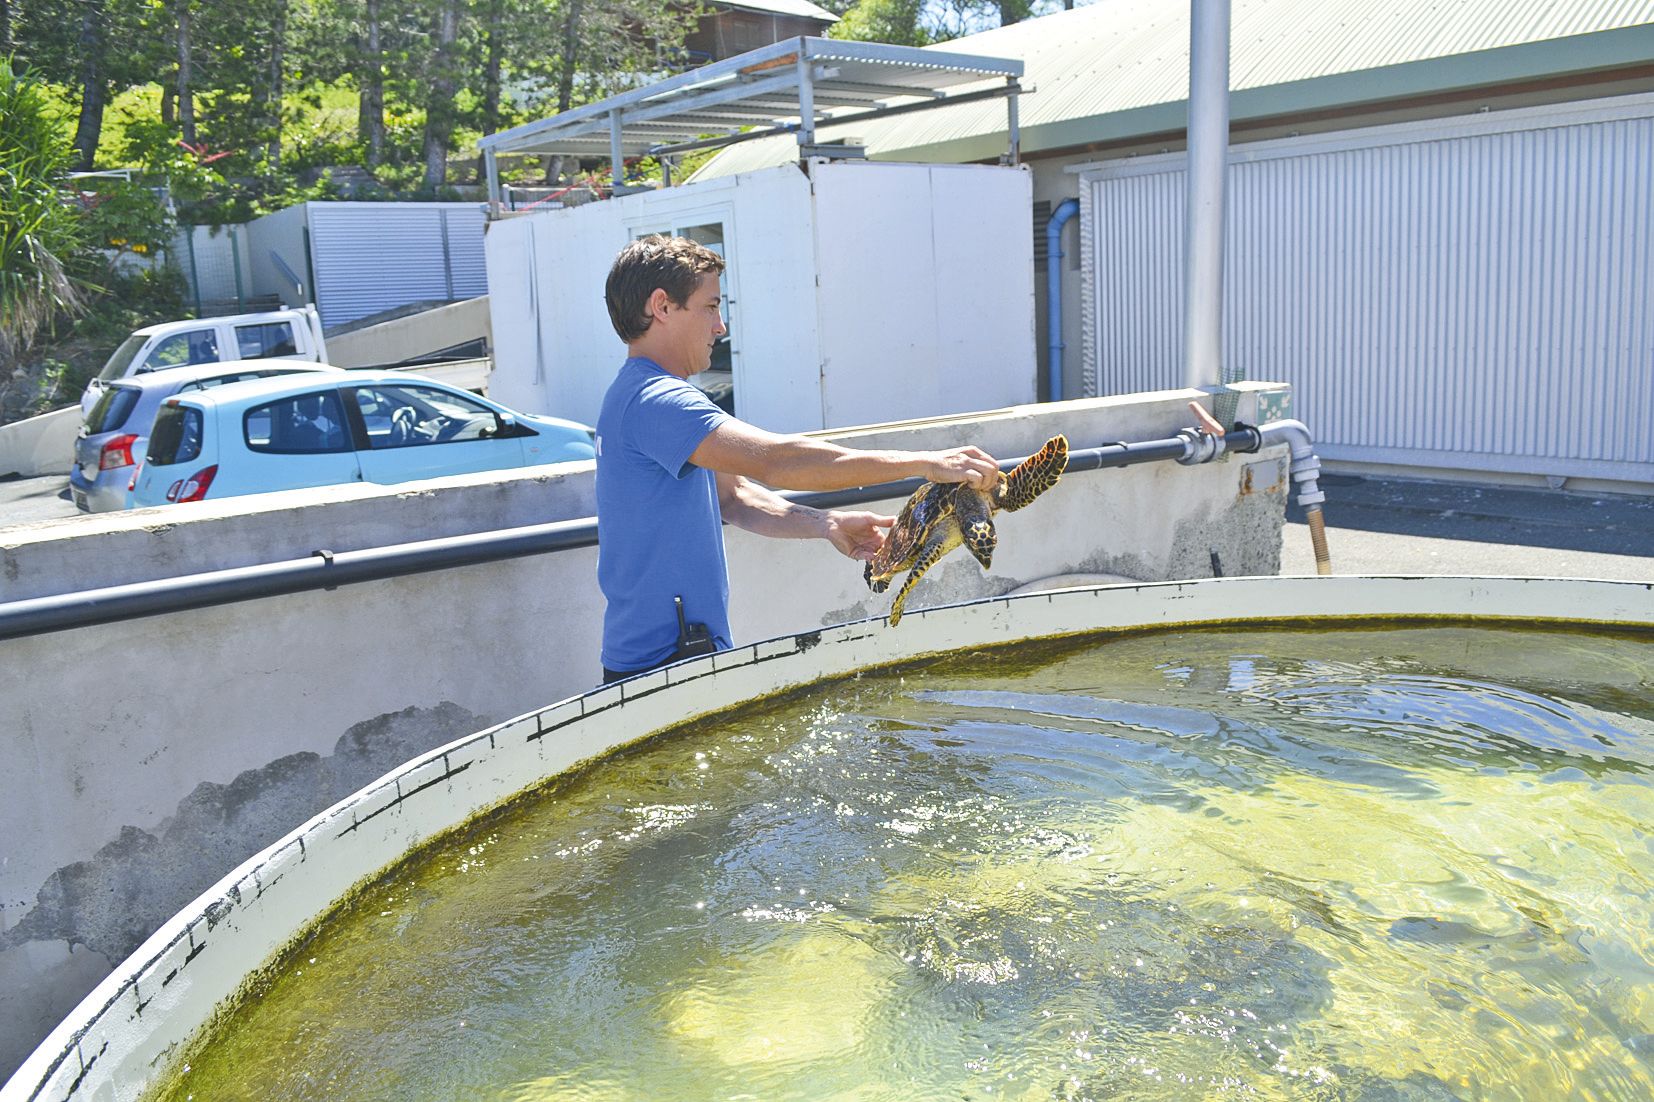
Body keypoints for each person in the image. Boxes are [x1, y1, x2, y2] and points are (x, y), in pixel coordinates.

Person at [595, 234, 1000, 683]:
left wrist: (826, 525)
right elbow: (776, 461)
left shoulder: (641, 394)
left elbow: (736, 497)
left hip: (679, 655)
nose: (720, 326)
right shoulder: (656, 401)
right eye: (711, 306)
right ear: (662, 306)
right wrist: (925, 463)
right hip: (662, 665)